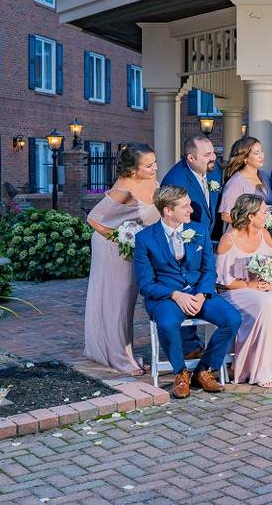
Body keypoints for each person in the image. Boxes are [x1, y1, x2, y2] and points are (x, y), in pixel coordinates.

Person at [133, 185, 242, 399]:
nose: (191, 210)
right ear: (168, 210)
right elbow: (145, 285)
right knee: (166, 324)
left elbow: (209, 271)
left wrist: (201, 294)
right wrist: (175, 295)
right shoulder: (145, 239)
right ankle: (180, 372)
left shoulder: (199, 231)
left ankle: (203, 370)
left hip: (199, 293)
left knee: (233, 318)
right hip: (166, 297)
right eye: (185, 206)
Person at [83, 144, 160, 375]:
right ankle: (120, 357)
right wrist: (122, 238)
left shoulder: (152, 182)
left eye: (154, 162)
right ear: (133, 170)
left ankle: (122, 350)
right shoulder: (123, 191)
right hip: (113, 248)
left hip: (134, 248)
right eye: (148, 165)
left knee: (128, 301)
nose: (154, 168)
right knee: (117, 301)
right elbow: (94, 219)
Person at [215, 194, 272, 387]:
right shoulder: (229, 239)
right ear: (251, 216)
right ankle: (258, 369)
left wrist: (269, 282)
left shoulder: (265, 235)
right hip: (234, 291)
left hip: (261, 288)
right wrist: (249, 285)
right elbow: (222, 282)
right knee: (266, 305)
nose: (266, 216)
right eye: (263, 212)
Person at [159, 135, 221, 359]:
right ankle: (187, 347)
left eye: (213, 152)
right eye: (207, 155)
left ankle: (193, 343)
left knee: (199, 288)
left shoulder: (214, 171)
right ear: (191, 157)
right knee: (185, 288)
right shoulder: (175, 179)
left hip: (204, 238)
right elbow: (171, 217)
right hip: (184, 240)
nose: (213, 158)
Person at [219, 136, 272, 229]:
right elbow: (225, 215)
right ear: (245, 158)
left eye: (262, 151)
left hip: (264, 234)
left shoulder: (264, 176)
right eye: (256, 153)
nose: (261, 156)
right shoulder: (236, 182)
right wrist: (251, 225)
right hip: (244, 235)